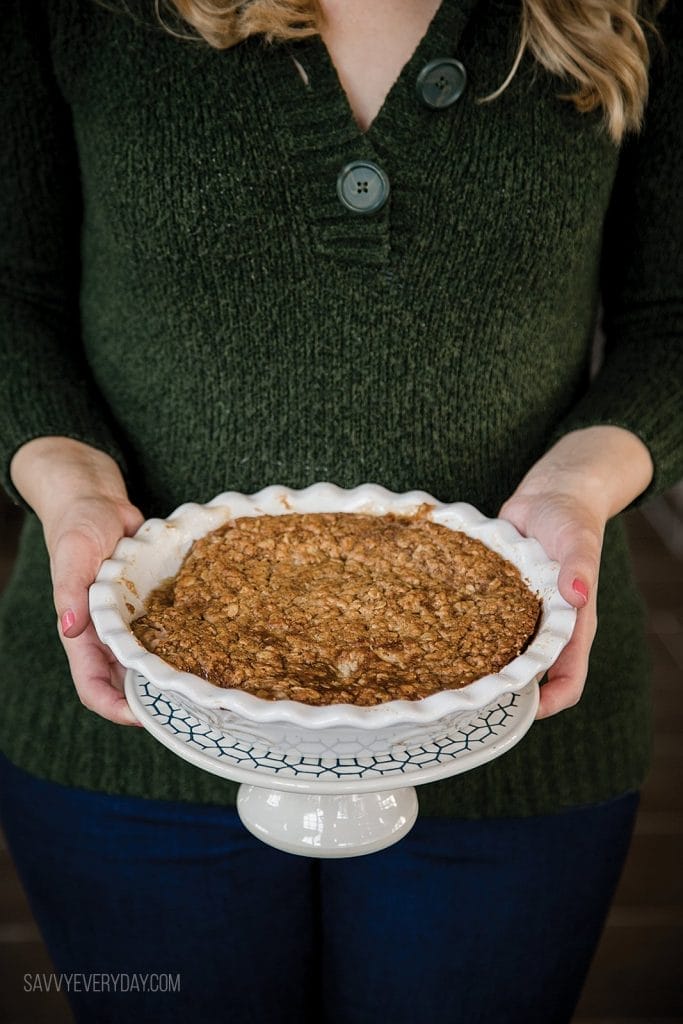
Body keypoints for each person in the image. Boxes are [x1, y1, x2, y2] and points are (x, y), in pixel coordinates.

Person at [0, 0, 681, 1021]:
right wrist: (69, 480)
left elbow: (669, 316)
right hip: (123, 732)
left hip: (517, 733)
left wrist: (577, 487)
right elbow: (12, 287)